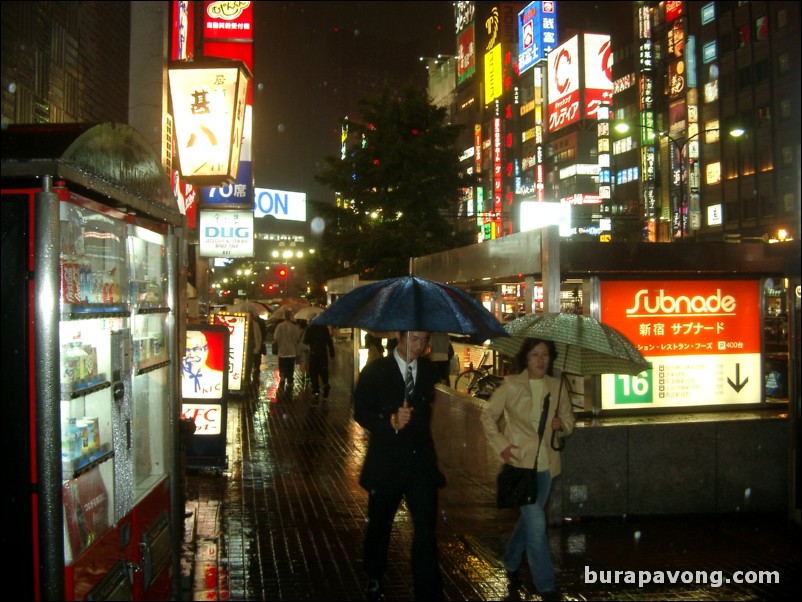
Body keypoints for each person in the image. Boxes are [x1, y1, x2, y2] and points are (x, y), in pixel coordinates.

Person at [353, 331, 445, 601]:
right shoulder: (376, 370)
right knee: (380, 526)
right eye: (414, 339)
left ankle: (427, 588)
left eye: (424, 340)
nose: (420, 345)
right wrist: (389, 420)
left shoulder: (428, 370)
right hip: (386, 464)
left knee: (426, 529)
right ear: (399, 337)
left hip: (420, 465)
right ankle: (374, 575)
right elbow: (361, 411)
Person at [480, 338, 575, 601]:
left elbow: (569, 419)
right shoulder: (511, 385)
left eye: (545, 355)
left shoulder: (557, 386)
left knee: (529, 521)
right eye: (535, 355)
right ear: (526, 358)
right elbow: (488, 415)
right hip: (520, 464)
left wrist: (561, 425)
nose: (541, 360)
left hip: (547, 468)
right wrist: (501, 445)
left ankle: (511, 559)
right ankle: (547, 586)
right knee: (536, 524)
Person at [228, 294, 266, 388]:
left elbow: (258, 337)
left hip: (249, 349)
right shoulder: (241, 323)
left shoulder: (254, 324)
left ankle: (246, 380)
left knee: (248, 365)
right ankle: (243, 380)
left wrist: (257, 347)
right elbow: (259, 337)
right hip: (241, 348)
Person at [181, 330, 225, 399]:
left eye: (196, 349)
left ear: (206, 350)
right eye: (187, 350)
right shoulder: (172, 383)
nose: (192, 355)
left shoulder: (220, 378)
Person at [303, 321, 335, 403]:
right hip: (323, 354)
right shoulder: (324, 328)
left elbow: (305, 341)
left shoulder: (310, 328)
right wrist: (332, 353)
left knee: (313, 372)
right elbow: (329, 341)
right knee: (323, 371)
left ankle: (316, 391)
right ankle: (325, 384)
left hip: (314, 354)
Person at [272, 309, 302, 394]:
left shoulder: (279, 326)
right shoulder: (294, 327)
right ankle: (290, 380)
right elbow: (297, 338)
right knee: (290, 366)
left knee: (282, 364)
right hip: (292, 350)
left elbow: (275, 338)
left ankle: (282, 376)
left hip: (282, 351)